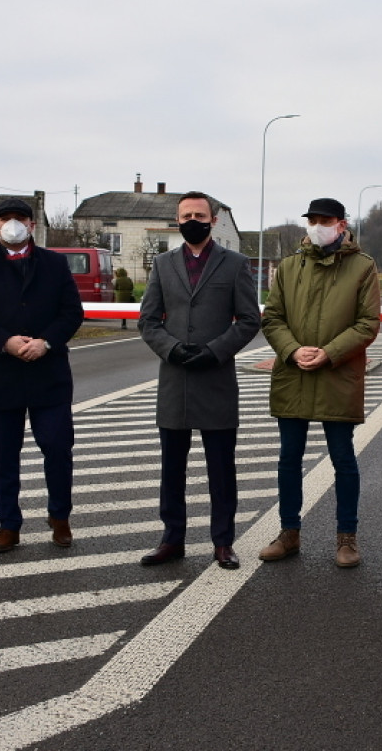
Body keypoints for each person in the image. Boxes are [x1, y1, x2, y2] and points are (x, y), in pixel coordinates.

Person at [138, 191, 260, 570]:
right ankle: (172, 539)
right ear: (178, 220)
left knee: (221, 470)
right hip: (175, 380)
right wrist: (171, 349)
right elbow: (148, 319)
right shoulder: (162, 263)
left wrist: (216, 350)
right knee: (171, 470)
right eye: (186, 214)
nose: (193, 219)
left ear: (213, 219)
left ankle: (223, 542)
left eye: (199, 214)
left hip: (216, 380)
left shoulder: (235, 264)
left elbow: (251, 320)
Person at [0, 198, 84, 553]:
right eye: (5, 219)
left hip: (49, 372)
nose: (13, 224)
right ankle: (8, 524)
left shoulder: (56, 264)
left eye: (21, 218)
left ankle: (60, 516)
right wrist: (5, 342)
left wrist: (46, 342)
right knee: (5, 455)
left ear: (32, 225)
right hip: (1, 374)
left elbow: (71, 312)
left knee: (58, 448)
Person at [259, 197, 380, 568]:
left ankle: (347, 538)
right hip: (293, 373)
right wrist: (293, 351)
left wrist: (328, 352)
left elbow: (367, 323)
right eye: (312, 220)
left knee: (343, 459)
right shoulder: (290, 266)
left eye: (324, 220)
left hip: (337, 374)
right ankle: (289, 533)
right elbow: (273, 317)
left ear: (341, 225)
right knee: (288, 460)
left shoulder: (362, 267)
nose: (317, 226)